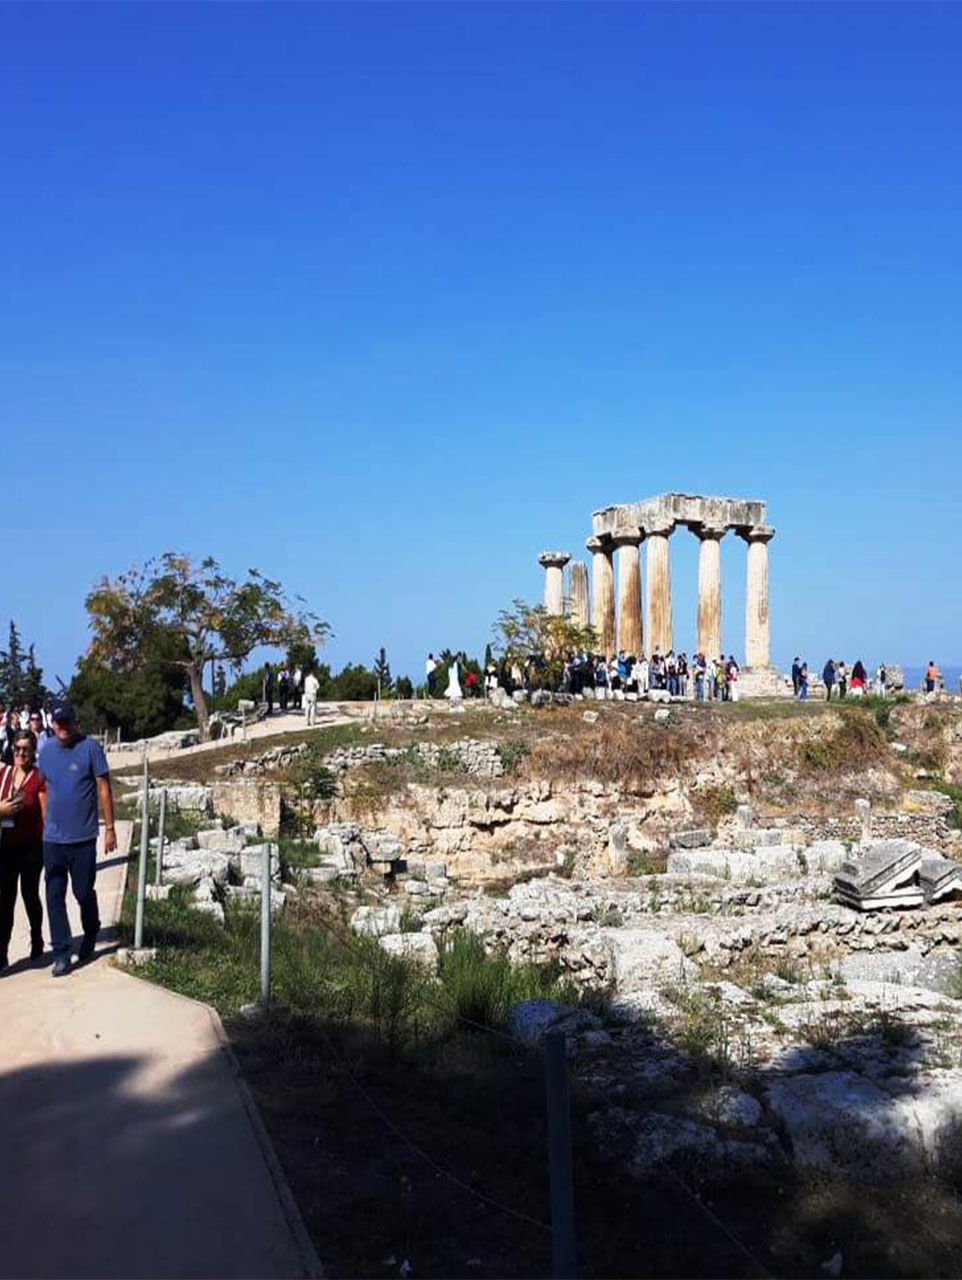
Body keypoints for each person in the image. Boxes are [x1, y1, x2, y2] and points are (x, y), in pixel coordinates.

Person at [37, 703, 116, 978]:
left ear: (75, 722)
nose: (63, 727)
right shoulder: (45, 751)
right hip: (53, 840)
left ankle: (91, 931)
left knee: (83, 892)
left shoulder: (90, 748)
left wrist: (110, 828)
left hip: (83, 837)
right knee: (54, 895)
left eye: (67, 721)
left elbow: (104, 787)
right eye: (58, 722)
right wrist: (46, 820)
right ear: (53, 723)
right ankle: (61, 952)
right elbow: (42, 787)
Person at [0, 731, 46, 968]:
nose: (21, 753)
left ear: (33, 751)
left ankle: (37, 938)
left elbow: (45, 814)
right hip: (6, 846)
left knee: (29, 896)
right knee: (5, 900)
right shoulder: (4, 773)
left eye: (26, 749)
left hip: (31, 847)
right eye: (17, 748)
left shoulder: (39, 778)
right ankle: (2, 951)